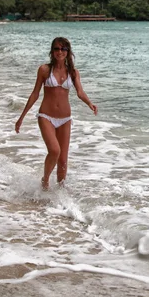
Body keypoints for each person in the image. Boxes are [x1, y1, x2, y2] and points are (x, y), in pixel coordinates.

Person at [15, 37, 98, 189]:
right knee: (54, 150)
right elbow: (35, 94)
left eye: (63, 49)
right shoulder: (44, 70)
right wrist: (22, 117)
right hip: (46, 116)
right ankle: (45, 181)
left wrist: (90, 103)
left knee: (63, 161)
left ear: (68, 52)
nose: (60, 52)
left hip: (65, 119)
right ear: (52, 51)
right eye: (57, 49)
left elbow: (80, 92)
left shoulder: (73, 72)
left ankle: (61, 196)